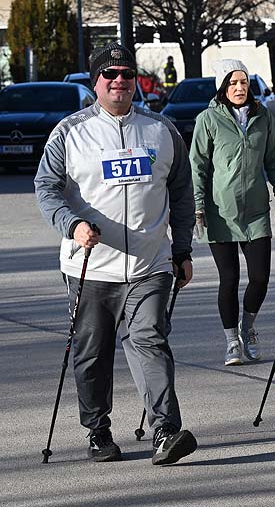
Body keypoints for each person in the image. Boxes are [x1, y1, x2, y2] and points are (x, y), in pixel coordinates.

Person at [34, 42, 197, 464]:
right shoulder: (69, 132)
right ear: (96, 82)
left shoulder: (161, 129)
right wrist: (73, 224)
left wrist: (181, 249)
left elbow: (180, 192)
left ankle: (166, 431)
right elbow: (46, 189)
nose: (119, 81)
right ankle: (98, 431)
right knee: (93, 352)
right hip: (89, 266)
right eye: (110, 75)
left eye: (126, 73)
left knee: (150, 341)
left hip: (150, 264)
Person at [190, 59, 275, 366]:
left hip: (256, 211)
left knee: (260, 278)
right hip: (221, 213)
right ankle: (232, 340)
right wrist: (198, 206)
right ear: (222, 87)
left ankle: (249, 326)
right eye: (233, 83)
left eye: (244, 82)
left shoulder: (264, 117)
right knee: (228, 279)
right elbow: (198, 167)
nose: (240, 88)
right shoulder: (208, 119)